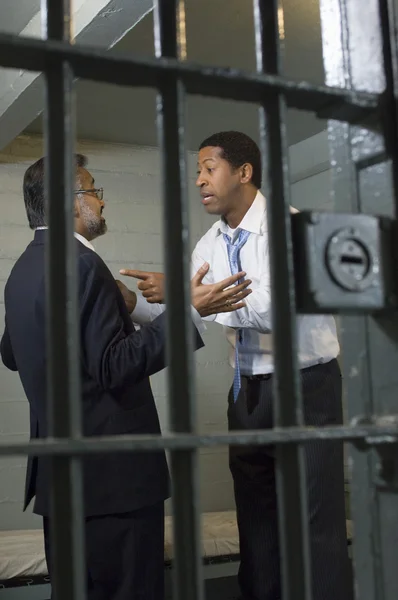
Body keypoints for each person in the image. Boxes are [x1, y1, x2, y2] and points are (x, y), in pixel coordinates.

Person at [0, 153, 252, 600]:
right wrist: (189, 311)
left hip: (61, 481)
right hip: (114, 481)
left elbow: (12, 355)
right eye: (93, 190)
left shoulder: (22, 270)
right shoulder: (81, 265)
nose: (102, 202)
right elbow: (115, 366)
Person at [119, 131, 353, 600]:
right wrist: (127, 303)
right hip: (245, 392)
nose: (200, 180)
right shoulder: (208, 244)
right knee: (257, 520)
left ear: (244, 172)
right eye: (198, 172)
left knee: (314, 520)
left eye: (209, 168)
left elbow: (270, 308)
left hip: (305, 388)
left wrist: (188, 295)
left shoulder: (289, 229)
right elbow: (186, 311)